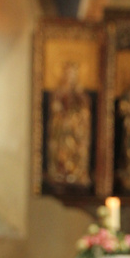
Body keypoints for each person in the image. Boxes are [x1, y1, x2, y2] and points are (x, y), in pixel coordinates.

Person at [47, 61, 92, 189]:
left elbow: (84, 112)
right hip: (62, 130)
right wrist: (61, 115)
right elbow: (55, 110)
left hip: (75, 130)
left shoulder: (80, 95)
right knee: (62, 151)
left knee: (74, 149)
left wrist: (74, 119)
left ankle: (75, 172)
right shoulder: (58, 93)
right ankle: (62, 171)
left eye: (72, 74)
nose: (69, 77)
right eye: (67, 74)